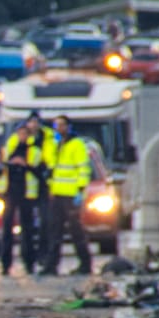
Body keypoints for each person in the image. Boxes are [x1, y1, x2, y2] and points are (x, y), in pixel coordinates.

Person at [39, 115, 93, 277]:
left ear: (69, 127)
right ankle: (51, 266)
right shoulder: (56, 144)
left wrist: (80, 190)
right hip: (57, 194)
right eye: (56, 125)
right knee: (55, 232)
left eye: (62, 125)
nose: (59, 128)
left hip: (71, 194)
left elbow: (83, 168)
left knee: (76, 231)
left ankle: (85, 264)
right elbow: (51, 165)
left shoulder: (76, 145)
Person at [0, 117, 49, 276]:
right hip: (10, 193)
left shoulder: (35, 151)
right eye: (20, 133)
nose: (23, 136)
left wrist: (25, 166)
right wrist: (10, 165)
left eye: (25, 133)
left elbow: (40, 173)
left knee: (28, 230)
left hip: (27, 194)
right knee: (7, 231)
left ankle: (29, 262)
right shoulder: (8, 149)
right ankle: (5, 264)